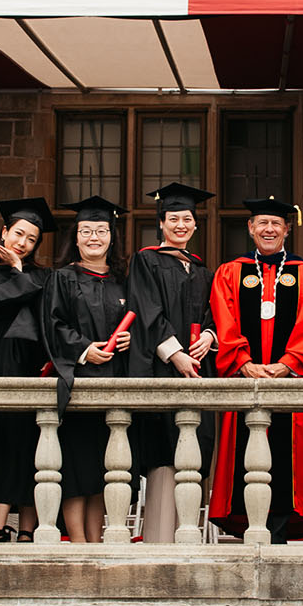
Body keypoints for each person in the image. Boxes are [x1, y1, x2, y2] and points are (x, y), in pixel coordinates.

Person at [206, 196, 303, 543]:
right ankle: (249, 527)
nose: (269, 229)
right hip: (247, 383)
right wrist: (243, 362)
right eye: (262, 223)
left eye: (276, 223)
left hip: (289, 384)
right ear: (250, 228)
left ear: (287, 229)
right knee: (245, 458)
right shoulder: (230, 272)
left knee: (290, 461)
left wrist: (287, 364)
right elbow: (225, 319)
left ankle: (281, 527)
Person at [127, 182, 218, 543]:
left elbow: (215, 312)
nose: (181, 224)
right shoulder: (145, 261)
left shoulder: (200, 270)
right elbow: (146, 310)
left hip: (198, 371)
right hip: (164, 368)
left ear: (195, 225)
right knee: (165, 456)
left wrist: (209, 336)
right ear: (161, 224)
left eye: (188, 219)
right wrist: (175, 354)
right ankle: (160, 541)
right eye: (174, 218)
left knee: (193, 456)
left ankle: (189, 540)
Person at [41, 195, 132, 542]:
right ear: (75, 237)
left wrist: (128, 342)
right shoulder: (62, 279)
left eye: (101, 230)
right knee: (76, 468)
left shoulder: (123, 280)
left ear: (112, 236)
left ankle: (96, 540)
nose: (94, 237)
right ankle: (78, 541)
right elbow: (54, 325)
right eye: (86, 231)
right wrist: (83, 350)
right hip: (76, 381)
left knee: (104, 469)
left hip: (115, 382)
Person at [0, 197, 54, 542]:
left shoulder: (46, 277)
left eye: (31, 239)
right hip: (2, 368)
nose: (22, 243)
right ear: (4, 232)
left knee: (35, 450)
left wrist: (22, 272)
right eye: (18, 234)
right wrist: (19, 273)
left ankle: (28, 530)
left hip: (39, 368)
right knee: (5, 446)